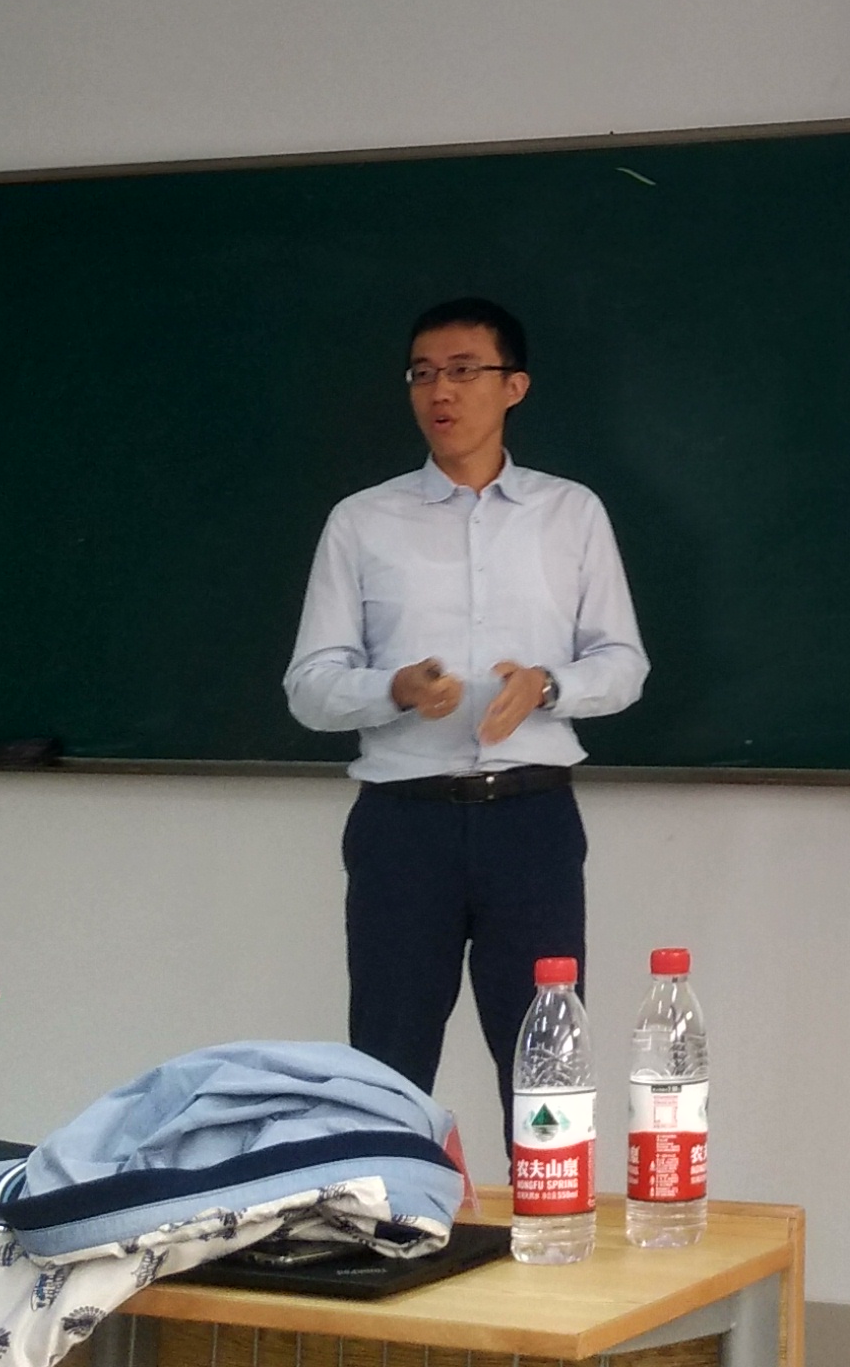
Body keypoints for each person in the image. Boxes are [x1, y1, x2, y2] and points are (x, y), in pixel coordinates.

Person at [284, 296, 647, 1119]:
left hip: (532, 824)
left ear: (514, 386)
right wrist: (395, 689)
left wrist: (547, 687)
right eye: (422, 374)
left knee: (547, 1069)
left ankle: (549, 1204)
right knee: (385, 1068)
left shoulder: (572, 513)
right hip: (402, 828)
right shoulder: (362, 521)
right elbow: (308, 685)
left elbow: (623, 664)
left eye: (461, 371)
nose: (439, 392)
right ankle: (384, 1198)